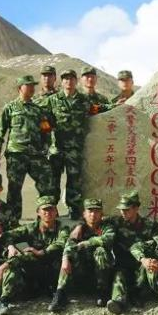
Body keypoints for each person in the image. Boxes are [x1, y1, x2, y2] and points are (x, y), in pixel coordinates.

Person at [0, 75, 55, 220]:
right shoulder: (10, 108)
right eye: (29, 85)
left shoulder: (38, 110)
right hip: (16, 154)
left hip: (36, 155)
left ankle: (44, 220)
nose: (32, 88)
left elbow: (46, 130)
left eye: (33, 85)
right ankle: (13, 222)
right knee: (14, 189)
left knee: (46, 185)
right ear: (20, 88)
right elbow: (0, 130)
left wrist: (46, 147)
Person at [49, 198, 116, 313]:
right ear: (84, 214)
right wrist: (65, 259)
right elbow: (70, 244)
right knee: (68, 256)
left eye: (96, 211)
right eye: (90, 211)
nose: (93, 214)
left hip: (100, 273)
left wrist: (86, 243)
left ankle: (102, 293)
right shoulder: (78, 228)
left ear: (102, 214)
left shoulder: (107, 227)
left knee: (100, 251)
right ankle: (60, 293)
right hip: (81, 269)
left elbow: (108, 238)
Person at [46, 69, 90, 220]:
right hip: (56, 149)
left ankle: (74, 209)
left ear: (76, 81)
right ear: (61, 81)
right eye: (65, 79)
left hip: (74, 149)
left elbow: (97, 109)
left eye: (71, 79)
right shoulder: (52, 100)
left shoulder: (83, 100)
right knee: (53, 180)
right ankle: (51, 210)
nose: (68, 82)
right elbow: (42, 117)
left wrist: (114, 106)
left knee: (74, 180)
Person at [106, 191, 158, 313]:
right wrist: (80, 225)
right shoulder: (115, 222)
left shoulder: (150, 225)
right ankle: (118, 301)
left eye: (126, 209)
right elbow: (94, 221)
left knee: (145, 271)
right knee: (119, 276)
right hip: (122, 264)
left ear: (136, 208)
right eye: (121, 209)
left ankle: (137, 295)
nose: (122, 212)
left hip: (141, 265)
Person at [6, 195, 70, 299]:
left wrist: (41, 252)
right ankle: (33, 287)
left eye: (51, 209)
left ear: (56, 212)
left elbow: (61, 242)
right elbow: (8, 235)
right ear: (38, 212)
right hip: (37, 267)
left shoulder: (62, 228)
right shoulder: (31, 228)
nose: (48, 213)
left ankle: (55, 289)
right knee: (26, 255)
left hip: (55, 266)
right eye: (44, 210)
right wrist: (10, 246)